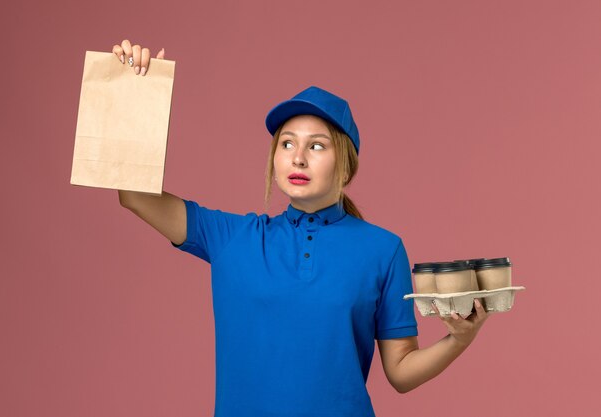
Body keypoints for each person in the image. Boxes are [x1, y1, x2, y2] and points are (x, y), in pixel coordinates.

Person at [111, 39, 489, 417]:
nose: (298, 156)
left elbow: (401, 372)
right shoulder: (231, 238)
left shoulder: (383, 250)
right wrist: (135, 99)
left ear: (345, 166)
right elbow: (135, 197)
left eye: (317, 146)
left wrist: (459, 339)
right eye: (287, 143)